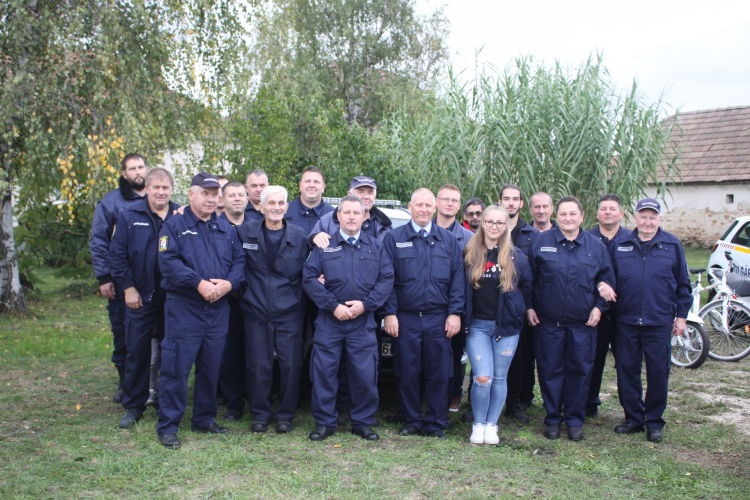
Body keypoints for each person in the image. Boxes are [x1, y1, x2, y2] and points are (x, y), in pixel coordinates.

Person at [155, 172, 244, 449]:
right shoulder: (174, 226)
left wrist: (229, 284)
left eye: (214, 193)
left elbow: (240, 262)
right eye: (204, 193)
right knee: (176, 368)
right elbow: (167, 262)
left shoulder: (226, 229)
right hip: (185, 308)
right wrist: (199, 284)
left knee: (210, 368)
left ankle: (204, 419)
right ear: (191, 194)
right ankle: (168, 425)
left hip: (218, 309)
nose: (210, 198)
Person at [303, 195, 395, 441]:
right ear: (338, 216)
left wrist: (366, 305)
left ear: (365, 216)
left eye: (357, 212)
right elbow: (309, 279)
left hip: (362, 322)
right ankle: (324, 423)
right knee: (324, 373)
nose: (352, 217)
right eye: (347, 213)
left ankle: (362, 423)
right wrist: (333, 307)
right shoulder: (324, 246)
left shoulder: (376, 246)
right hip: (329, 321)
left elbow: (387, 279)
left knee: (365, 375)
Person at [527, 196, 615, 441]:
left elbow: (607, 280)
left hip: (582, 325)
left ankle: (575, 420)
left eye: (572, 214)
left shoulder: (596, 246)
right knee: (549, 371)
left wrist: (600, 307)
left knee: (580, 371)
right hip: (548, 324)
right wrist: (529, 307)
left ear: (582, 216)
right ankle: (553, 419)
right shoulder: (541, 242)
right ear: (557, 215)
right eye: (563, 214)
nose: (567, 218)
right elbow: (528, 279)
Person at [383, 188, 465, 440]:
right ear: (410, 206)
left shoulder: (448, 240)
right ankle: (411, 420)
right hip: (405, 318)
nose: (424, 210)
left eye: (428, 205)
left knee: (439, 373)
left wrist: (455, 313)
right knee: (407, 371)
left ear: (435, 207)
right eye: (419, 205)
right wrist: (389, 313)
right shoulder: (393, 238)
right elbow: (387, 279)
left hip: (438, 318)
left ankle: (435, 423)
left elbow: (457, 280)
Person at [609, 198, 691, 443]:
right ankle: (634, 418)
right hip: (626, 319)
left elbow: (683, 285)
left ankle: (654, 422)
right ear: (634, 218)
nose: (647, 222)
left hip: (659, 320)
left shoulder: (672, 245)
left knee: (658, 372)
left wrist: (681, 316)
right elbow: (608, 278)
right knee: (626, 369)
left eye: (652, 217)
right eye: (643, 217)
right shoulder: (620, 244)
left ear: (659, 220)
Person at [236, 186, 309, 433]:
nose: (276, 207)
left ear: (287, 208)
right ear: (261, 207)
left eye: (281, 203)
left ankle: (286, 415)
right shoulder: (244, 233)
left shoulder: (300, 237)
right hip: (255, 311)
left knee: (291, 366)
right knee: (258, 366)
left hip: (289, 312)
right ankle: (260, 413)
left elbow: (312, 270)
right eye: (271, 203)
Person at [109, 168, 178, 428]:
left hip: (174, 296)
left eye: (165, 188)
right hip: (140, 294)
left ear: (172, 189)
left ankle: (165, 401)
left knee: (171, 351)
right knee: (137, 350)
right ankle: (134, 404)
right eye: (156, 187)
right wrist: (127, 288)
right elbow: (117, 256)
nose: (161, 192)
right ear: (147, 188)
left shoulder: (181, 215)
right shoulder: (129, 217)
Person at [463, 205, 533, 444]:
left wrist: (523, 311)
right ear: (483, 223)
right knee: (482, 377)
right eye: (490, 222)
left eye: (499, 223)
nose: (494, 227)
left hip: (507, 328)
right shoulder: (469, 253)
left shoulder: (516, 256)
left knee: (500, 378)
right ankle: (478, 423)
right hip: (478, 327)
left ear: (506, 226)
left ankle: (491, 425)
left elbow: (527, 288)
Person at [90, 153, 147, 403]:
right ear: (124, 174)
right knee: (123, 332)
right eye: (132, 168)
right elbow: (99, 240)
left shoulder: (158, 197)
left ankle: (152, 384)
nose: (138, 172)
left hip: (153, 282)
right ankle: (126, 384)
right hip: (122, 281)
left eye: (141, 167)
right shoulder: (111, 202)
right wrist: (104, 277)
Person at [498, 184, 540, 424]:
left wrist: (528, 306)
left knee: (518, 358)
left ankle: (513, 403)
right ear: (500, 202)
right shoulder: (490, 231)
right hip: (491, 309)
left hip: (518, 309)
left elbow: (534, 275)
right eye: (506, 198)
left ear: (521, 204)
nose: (511, 203)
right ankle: (476, 403)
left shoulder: (533, 236)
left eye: (515, 199)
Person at [585, 194, 630, 418]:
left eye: (613, 209)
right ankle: (589, 402)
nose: (608, 212)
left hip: (624, 313)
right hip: (595, 311)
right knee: (592, 359)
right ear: (597, 214)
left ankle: (629, 409)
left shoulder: (632, 240)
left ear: (621, 214)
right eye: (603, 209)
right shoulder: (586, 239)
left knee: (625, 363)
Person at [434, 184, 474, 414]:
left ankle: (454, 394)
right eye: (445, 199)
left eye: (454, 200)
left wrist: (459, 311)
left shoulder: (469, 239)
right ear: (436, 203)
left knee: (456, 356)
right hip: (428, 306)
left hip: (456, 307)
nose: (449, 203)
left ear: (459, 206)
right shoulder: (424, 231)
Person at [216, 181, 250, 421]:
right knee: (229, 353)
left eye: (241, 195)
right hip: (227, 300)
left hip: (256, 300)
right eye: (232, 195)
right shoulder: (214, 227)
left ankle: (253, 394)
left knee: (253, 352)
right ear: (223, 199)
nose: (237, 199)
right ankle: (233, 403)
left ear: (248, 198)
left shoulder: (257, 225)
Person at [284, 167, 335, 234]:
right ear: (300, 185)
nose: (311, 185)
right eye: (307, 181)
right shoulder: (285, 211)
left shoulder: (333, 214)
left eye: (316, 182)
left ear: (323, 187)